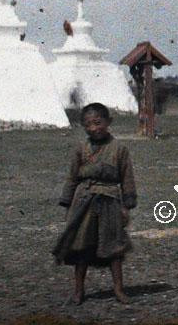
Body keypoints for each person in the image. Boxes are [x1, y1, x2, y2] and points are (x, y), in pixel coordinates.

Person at [52, 102, 136, 303]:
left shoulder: (119, 149)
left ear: (108, 122)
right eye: (88, 124)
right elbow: (72, 177)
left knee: (114, 248)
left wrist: (127, 205)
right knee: (81, 247)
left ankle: (118, 290)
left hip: (110, 201)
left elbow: (127, 177)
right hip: (83, 201)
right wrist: (67, 204)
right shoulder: (81, 149)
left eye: (98, 122)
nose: (94, 128)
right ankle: (78, 291)